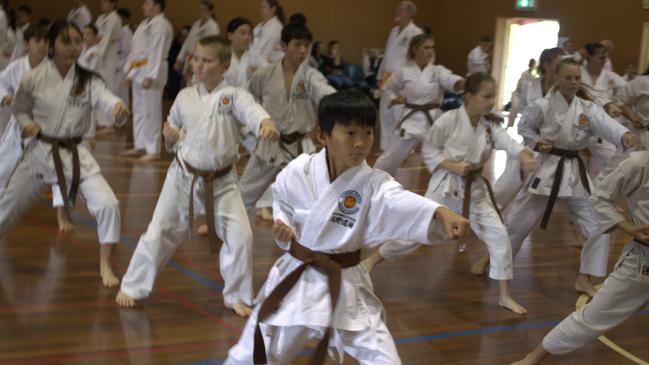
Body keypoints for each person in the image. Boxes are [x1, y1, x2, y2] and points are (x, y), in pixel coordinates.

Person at [224, 89, 471, 365]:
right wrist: (284, 228)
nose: (361, 143)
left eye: (367, 133)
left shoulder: (374, 182)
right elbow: (282, 200)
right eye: (350, 133)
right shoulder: (299, 170)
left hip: (345, 282)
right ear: (322, 136)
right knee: (255, 353)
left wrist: (439, 211)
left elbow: (398, 200)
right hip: (297, 278)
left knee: (385, 359)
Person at [116, 36, 280, 317]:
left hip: (223, 182)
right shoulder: (184, 96)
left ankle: (237, 295)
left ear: (225, 65)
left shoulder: (234, 95)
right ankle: (133, 286)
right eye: (196, 59)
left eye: (207, 60)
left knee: (241, 235)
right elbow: (174, 132)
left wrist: (265, 123)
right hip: (182, 178)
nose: (198, 65)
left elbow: (252, 112)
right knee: (159, 232)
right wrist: (169, 136)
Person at [368, 73, 538, 314]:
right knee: (416, 233)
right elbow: (430, 149)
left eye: (493, 96)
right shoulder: (448, 120)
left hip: (476, 190)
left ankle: (504, 295)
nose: (491, 101)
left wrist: (522, 154)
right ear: (469, 97)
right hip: (445, 189)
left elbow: (508, 142)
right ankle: (371, 261)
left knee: (499, 236)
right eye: (486, 96)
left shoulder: (489, 124)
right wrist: (452, 165)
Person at [0, 20, 129, 287]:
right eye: (65, 41)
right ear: (52, 45)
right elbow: (20, 110)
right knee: (5, 210)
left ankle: (106, 265)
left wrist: (117, 108)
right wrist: (27, 125)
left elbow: (106, 98)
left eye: (77, 41)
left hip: (75, 153)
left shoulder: (88, 79)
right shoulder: (33, 77)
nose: (73, 48)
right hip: (39, 152)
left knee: (108, 204)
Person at [504, 58, 639, 297]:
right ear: (556, 78)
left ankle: (584, 278)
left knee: (599, 226)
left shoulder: (586, 109)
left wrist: (624, 135)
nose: (574, 82)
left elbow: (608, 125)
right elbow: (524, 127)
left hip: (574, 171)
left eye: (577, 78)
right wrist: (537, 142)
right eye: (568, 78)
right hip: (545, 169)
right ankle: (495, 264)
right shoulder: (542, 105)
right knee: (516, 224)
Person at [511, 150, 649, 365]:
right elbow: (601, 197)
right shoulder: (640, 163)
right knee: (594, 316)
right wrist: (629, 229)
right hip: (642, 261)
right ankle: (531, 358)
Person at [237, 22, 335, 220]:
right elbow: (248, 98)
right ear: (283, 46)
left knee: (310, 199)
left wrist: (342, 102)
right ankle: (227, 231)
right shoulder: (265, 74)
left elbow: (327, 94)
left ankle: (304, 240)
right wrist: (256, 125)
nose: (303, 51)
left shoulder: (311, 76)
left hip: (301, 146)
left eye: (306, 46)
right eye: (297, 45)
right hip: (270, 143)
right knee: (243, 193)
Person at [374, 34, 464, 176]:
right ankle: (374, 181)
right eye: (426, 47)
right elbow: (388, 88)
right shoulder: (404, 72)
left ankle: (450, 188)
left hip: (433, 121)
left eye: (432, 48)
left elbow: (450, 80)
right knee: (390, 157)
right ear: (415, 49)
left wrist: (463, 83)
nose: (430, 51)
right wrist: (394, 99)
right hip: (410, 121)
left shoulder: (437, 71)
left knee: (448, 157)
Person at [121, 0, 173, 162]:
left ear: (157, 6)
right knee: (139, 110)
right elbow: (135, 50)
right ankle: (140, 145)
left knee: (151, 111)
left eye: (147, 3)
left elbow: (156, 51)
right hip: (139, 70)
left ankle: (153, 149)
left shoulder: (161, 25)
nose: (143, 6)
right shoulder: (144, 24)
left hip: (152, 71)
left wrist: (150, 75)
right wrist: (128, 71)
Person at [0, 24, 49, 194]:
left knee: (57, 172)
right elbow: (1, 82)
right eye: (38, 41)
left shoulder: (54, 70)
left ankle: (62, 212)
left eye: (46, 41)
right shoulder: (17, 66)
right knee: (2, 166)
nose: (42, 45)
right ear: (27, 44)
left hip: (44, 129)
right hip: (18, 126)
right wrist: (4, 96)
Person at [376, 1, 423, 149]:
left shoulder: (416, 32)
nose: (397, 12)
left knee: (399, 113)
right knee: (385, 111)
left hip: (402, 78)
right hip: (387, 76)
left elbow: (417, 59)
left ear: (410, 13)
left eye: (401, 10)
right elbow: (387, 54)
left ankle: (402, 148)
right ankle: (386, 147)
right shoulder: (394, 31)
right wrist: (379, 75)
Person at [93, 0, 122, 135]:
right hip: (99, 56)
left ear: (112, 4)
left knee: (108, 88)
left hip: (109, 57)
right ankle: (100, 121)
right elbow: (96, 37)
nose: (102, 4)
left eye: (105, 2)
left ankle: (109, 122)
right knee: (99, 88)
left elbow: (106, 39)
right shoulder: (100, 18)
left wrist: (96, 57)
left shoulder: (114, 19)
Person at [173, 0, 220, 83]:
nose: (200, 12)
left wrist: (197, 62)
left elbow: (210, 48)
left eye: (203, 10)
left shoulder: (213, 27)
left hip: (202, 61)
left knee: (197, 84)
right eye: (199, 10)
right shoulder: (196, 24)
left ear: (210, 11)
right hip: (190, 58)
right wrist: (179, 59)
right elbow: (187, 42)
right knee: (187, 85)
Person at [248, 0, 284, 64]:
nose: (261, 10)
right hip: (253, 61)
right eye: (260, 7)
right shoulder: (260, 25)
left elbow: (264, 53)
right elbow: (250, 42)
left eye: (263, 7)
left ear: (273, 9)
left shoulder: (276, 28)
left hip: (265, 66)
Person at [116, 7, 133, 106]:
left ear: (125, 19)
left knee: (122, 92)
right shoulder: (120, 31)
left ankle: (124, 115)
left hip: (123, 65)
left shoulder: (126, 32)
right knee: (118, 91)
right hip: (118, 64)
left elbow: (126, 51)